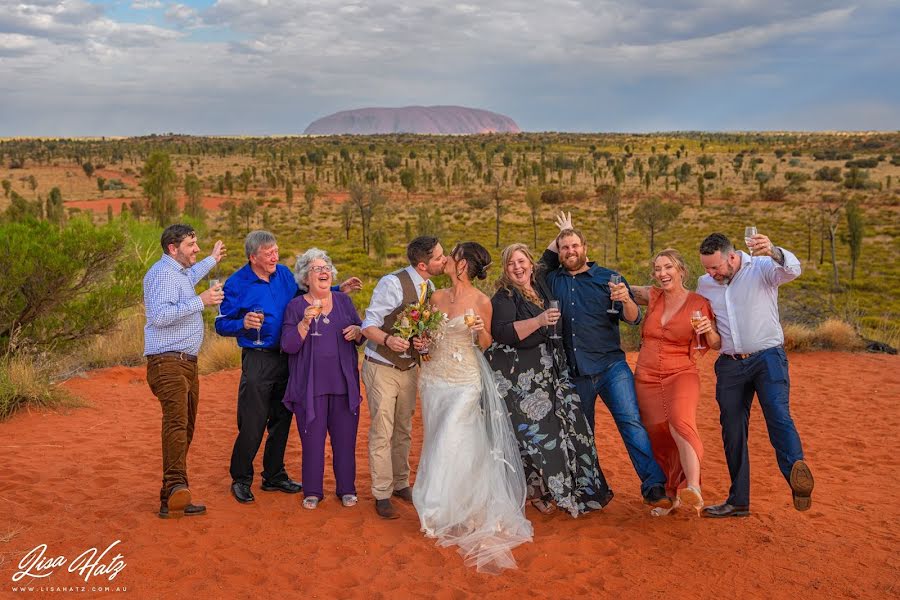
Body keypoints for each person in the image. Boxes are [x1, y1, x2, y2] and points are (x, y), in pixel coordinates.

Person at [412, 242, 532, 574]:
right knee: (445, 441)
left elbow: (487, 343)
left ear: (462, 264)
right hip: (434, 379)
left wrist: (479, 331)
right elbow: (428, 339)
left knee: (448, 438)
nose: (446, 260)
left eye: (451, 256)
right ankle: (456, 500)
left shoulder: (481, 301)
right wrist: (421, 343)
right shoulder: (435, 298)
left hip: (465, 380)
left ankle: (434, 507)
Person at [215, 231, 361, 504]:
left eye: (276, 251)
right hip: (259, 358)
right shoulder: (236, 283)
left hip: (290, 357)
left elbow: (308, 294)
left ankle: (273, 474)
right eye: (268, 253)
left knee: (282, 420)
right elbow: (220, 324)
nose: (275, 257)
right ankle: (241, 478)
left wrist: (339, 290)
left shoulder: (283, 275)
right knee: (253, 420)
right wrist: (242, 324)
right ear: (253, 257)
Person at [539, 213, 671, 509]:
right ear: (559, 253)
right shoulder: (551, 280)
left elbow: (633, 319)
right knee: (583, 434)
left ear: (585, 248)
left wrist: (625, 299)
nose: (570, 251)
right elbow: (540, 263)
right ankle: (591, 490)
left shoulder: (608, 278)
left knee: (631, 423)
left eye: (574, 245)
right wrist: (562, 231)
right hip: (573, 372)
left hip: (612, 368)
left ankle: (654, 485)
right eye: (564, 247)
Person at [485, 243, 613, 517]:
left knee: (570, 427)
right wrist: (540, 320)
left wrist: (564, 234)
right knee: (540, 438)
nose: (517, 268)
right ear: (505, 270)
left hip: (553, 370)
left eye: (522, 261)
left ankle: (578, 491)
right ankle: (545, 493)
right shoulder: (505, 296)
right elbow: (502, 333)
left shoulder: (541, 284)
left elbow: (554, 254)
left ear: (532, 264)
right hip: (524, 380)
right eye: (511, 264)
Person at [696, 232, 814, 517]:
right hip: (730, 364)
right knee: (732, 430)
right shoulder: (705, 284)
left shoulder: (761, 268)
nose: (711, 273)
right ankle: (738, 501)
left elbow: (792, 270)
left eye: (715, 267)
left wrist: (773, 250)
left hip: (767, 358)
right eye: (707, 268)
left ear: (732, 257)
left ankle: (796, 474)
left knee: (777, 414)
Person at [360, 236, 446, 520]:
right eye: (439, 257)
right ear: (423, 264)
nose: (444, 261)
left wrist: (423, 343)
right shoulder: (392, 283)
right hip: (382, 365)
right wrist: (387, 340)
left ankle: (400, 483)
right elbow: (368, 324)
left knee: (404, 429)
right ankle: (382, 493)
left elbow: (424, 329)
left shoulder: (430, 287)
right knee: (383, 430)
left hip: (409, 369)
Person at [630, 249, 721, 516]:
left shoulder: (698, 303)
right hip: (646, 377)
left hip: (681, 373)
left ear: (681, 269)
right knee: (658, 434)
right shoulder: (653, 295)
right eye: (657, 269)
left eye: (668, 267)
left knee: (680, 422)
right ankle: (670, 495)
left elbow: (715, 344)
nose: (662, 274)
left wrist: (709, 331)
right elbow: (617, 285)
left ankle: (693, 487)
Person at [143, 223, 225, 519]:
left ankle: (172, 495)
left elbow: (190, 275)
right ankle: (177, 486)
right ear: (173, 249)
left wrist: (213, 260)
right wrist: (200, 301)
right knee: (177, 423)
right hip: (168, 363)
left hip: (185, 363)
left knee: (186, 425)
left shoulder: (177, 273)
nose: (197, 249)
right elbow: (160, 316)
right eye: (192, 245)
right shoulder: (162, 274)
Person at [281, 248, 364, 509]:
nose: (323, 271)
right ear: (306, 277)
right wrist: (304, 325)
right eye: (316, 268)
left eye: (326, 266)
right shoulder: (295, 307)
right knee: (313, 442)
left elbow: (361, 333)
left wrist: (357, 331)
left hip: (343, 384)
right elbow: (289, 345)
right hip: (310, 387)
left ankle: (347, 489)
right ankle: (313, 491)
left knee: (345, 440)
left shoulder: (343, 302)